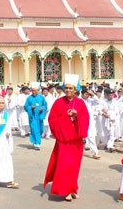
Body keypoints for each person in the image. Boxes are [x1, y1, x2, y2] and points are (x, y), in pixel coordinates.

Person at [44, 74, 90, 202]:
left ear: (76, 89)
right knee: (64, 165)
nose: (68, 90)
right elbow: (52, 119)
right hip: (63, 140)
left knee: (74, 166)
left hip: (76, 140)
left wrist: (77, 116)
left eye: (71, 88)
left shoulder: (80, 103)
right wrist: (65, 116)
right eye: (67, 88)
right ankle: (66, 190)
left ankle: (73, 188)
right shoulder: (59, 102)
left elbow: (86, 119)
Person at [24, 82, 47, 150]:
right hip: (32, 117)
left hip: (39, 116)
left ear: (38, 90)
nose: (33, 92)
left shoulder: (41, 97)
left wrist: (42, 108)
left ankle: (36, 140)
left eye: (35, 90)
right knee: (34, 129)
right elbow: (26, 106)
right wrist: (31, 108)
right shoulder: (29, 98)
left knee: (40, 129)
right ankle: (37, 143)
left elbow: (45, 105)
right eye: (32, 90)